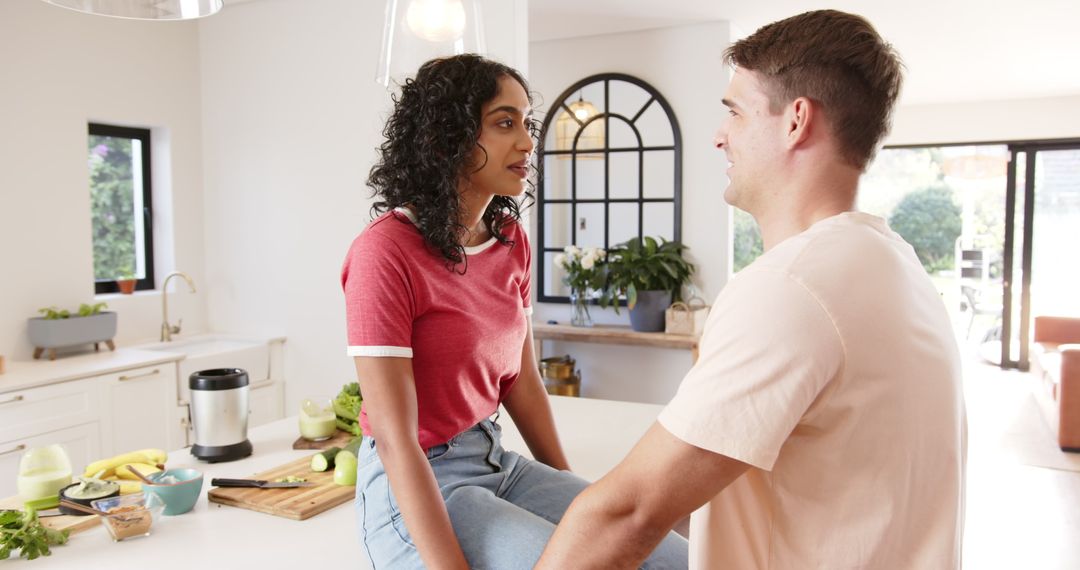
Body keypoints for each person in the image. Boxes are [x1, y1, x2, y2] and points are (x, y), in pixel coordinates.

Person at [538, 10, 967, 569]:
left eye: (736, 112)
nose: (719, 136)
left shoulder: (791, 287)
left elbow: (629, 513)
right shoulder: (896, 265)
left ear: (796, 121)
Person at [340, 54, 688, 569]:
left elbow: (522, 382)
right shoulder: (385, 252)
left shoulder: (508, 241)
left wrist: (580, 501)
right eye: (505, 123)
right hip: (414, 484)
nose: (527, 142)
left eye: (527, 123)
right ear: (448, 137)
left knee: (672, 558)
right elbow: (395, 440)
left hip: (495, 461)